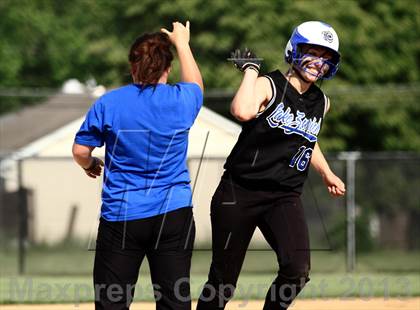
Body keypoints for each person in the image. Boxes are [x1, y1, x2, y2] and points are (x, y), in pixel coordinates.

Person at [197, 21, 345, 310]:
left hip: (283, 196)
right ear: (294, 50)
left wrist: (326, 172)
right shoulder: (269, 84)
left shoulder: (321, 102)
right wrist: (252, 70)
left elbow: (307, 138)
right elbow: (242, 110)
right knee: (223, 280)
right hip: (240, 191)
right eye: (312, 52)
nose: (319, 62)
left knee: (297, 269)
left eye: (326, 56)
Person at [72, 21, 203, 310]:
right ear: (167, 69)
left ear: (133, 67)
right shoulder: (183, 100)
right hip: (173, 213)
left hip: (122, 215)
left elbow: (80, 150)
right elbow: (196, 84)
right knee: (174, 301)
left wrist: (90, 163)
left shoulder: (110, 103)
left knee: (112, 302)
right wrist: (182, 43)